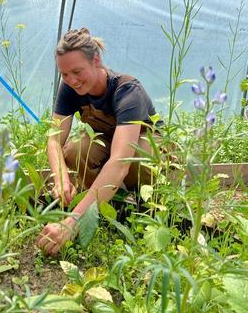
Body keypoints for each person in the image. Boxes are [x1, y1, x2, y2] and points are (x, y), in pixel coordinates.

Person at [36, 28, 161, 256]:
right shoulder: (70, 89)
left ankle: (147, 209)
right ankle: (102, 207)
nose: (71, 80)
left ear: (96, 60)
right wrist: (61, 178)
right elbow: (54, 140)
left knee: (138, 156)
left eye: (77, 71)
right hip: (109, 142)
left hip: (145, 147)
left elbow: (120, 161)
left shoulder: (127, 90)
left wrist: (70, 222)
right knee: (75, 149)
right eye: (64, 74)